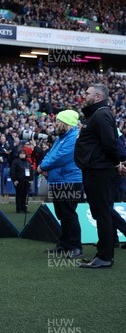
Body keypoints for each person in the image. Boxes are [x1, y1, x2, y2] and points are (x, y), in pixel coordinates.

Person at [75, 84, 123, 268]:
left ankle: (104, 256)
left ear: (97, 96)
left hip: (100, 171)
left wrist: (116, 163)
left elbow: (110, 143)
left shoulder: (102, 114)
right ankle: (104, 253)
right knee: (100, 212)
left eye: (87, 93)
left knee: (102, 213)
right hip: (94, 170)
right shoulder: (95, 114)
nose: (84, 95)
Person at [37, 110, 83, 259]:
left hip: (69, 181)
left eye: (58, 121)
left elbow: (60, 157)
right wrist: (43, 166)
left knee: (69, 214)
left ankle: (76, 247)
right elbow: (51, 154)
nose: (55, 124)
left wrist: (42, 167)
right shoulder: (61, 138)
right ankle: (64, 245)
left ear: (66, 123)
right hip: (58, 181)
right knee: (61, 214)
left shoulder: (73, 138)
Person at [10, 148, 32, 213]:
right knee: (19, 195)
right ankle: (19, 209)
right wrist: (14, 180)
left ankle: (24, 208)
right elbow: (12, 172)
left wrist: (31, 179)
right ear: (19, 154)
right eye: (21, 154)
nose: (22, 155)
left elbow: (30, 171)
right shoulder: (15, 161)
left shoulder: (28, 162)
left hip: (27, 180)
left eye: (24, 154)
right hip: (19, 181)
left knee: (25, 195)